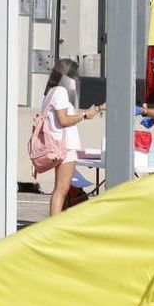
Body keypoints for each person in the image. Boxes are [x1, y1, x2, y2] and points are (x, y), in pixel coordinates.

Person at [39, 58, 102, 216]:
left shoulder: (50, 92)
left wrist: (88, 113)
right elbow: (64, 119)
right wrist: (84, 116)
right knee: (62, 189)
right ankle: (54, 225)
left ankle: (54, 224)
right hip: (65, 147)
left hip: (58, 145)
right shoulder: (60, 92)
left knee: (60, 188)